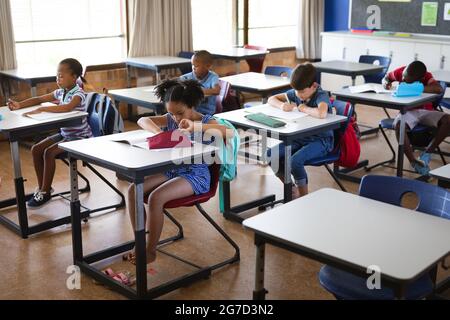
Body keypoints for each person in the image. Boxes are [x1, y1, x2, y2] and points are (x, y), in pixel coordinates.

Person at [125, 79, 231, 265]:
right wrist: (160, 132)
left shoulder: (205, 120)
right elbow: (143, 120)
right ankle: (140, 242)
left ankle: (150, 251)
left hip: (196, 175)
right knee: (133, 190)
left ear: (192, 106)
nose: (174, 118)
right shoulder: (171, 119)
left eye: (180, 113)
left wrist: (194, 126)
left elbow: (227, 132)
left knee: (155, 198)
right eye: (172, 113)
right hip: (173, 170)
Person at [7, 58, 92, 209]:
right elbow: (39, 98)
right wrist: (19, 104)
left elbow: (67, 108)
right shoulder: (61, 92)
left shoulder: (78, 93)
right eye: (57, 75)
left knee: (48, 153)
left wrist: (43, 109)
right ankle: (43, 189)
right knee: (36, 149)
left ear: (74, 77)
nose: (57, 79)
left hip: (79, 137)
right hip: (66, 133)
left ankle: (45, 191)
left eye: (61, 75)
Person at [268, 63, 334, 199]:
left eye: (302, 92)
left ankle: (304, 198)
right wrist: (282, 105)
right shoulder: (297, 93)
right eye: (296, 91)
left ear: (314, 86)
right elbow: (271, 99)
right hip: (300, 138)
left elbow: (321, 113)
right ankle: (291, 189)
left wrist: (303, 108)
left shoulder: (321, 94)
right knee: (270, 155)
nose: (299, 95)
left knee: (294, 161)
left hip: (321, 141)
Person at [383, 61, 449, 175]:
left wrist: (415, 88)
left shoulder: (426, 76)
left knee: (448, 120)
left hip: (426, 110)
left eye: (407, 80)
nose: (403, 80)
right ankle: (414, 162)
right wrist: (385, 83)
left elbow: (438, 89)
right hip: (408, 111)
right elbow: (386, 78)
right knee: (399, 125)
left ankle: (427, 153)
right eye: (403, 77)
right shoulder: (400, 71)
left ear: (420, 78)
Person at [181, 50, 220, 115]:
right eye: (192, 65)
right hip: (190, 112)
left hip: (206, 113)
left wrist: (196, 91)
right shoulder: (186, 77)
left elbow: (216, 91)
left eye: (196, 66)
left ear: (208, 66)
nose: (193, 68)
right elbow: (178, 85)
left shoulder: (213, 77)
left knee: (196, 124)